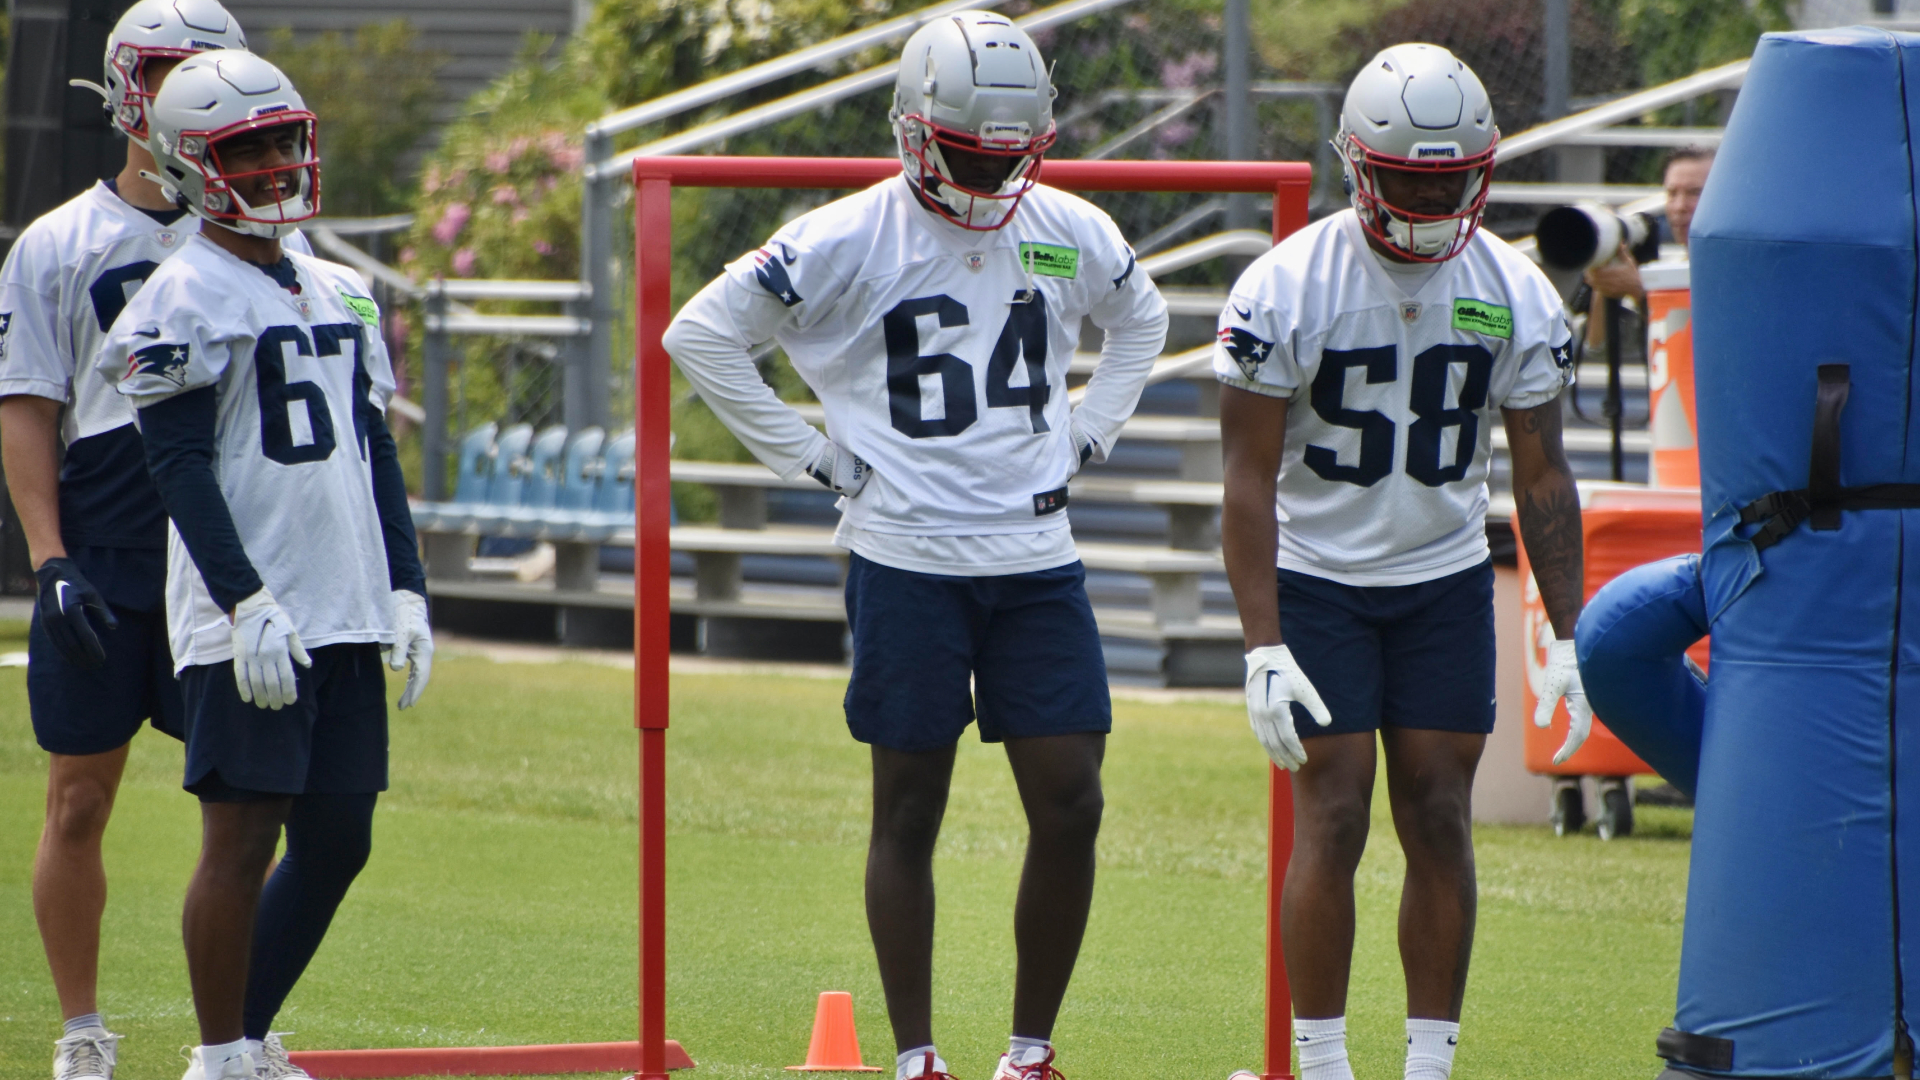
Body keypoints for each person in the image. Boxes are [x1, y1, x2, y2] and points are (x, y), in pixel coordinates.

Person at [662, 13, 1167, 1080]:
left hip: (1034, 555)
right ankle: (915, 1055)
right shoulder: (849, 236)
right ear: (914, 130)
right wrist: (812, 456)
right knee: (910, 805)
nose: (989, 180)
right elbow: (699, 332)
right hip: (907, 557)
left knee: (1073, 798)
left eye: (1007, 156)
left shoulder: (1065, 224)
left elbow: (1143, 315)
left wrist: (1091, 428)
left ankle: (1029, 1053)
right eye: (970, 154)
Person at [1214, 44, 1591, 1080]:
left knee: (1437, 811)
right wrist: (1262, 643)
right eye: (1410, 177)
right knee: (1331, 810)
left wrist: (1569, 627)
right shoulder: (1286, 284)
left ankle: (1429, 1069)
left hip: (1440, 578)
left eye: (1448, 178)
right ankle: (1324, 1065)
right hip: (1321, 576)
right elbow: (1246, 481)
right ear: (1357, 166)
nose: (1429, 199)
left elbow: (1543, 473)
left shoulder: (1515, 290)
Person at [94, 49, 432, 1080]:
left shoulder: (342, 287)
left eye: (286, 140)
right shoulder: (175, 296)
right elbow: (179, 465)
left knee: (339, 841)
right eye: (253, 148)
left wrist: (407, 589)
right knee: (240, 842)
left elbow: (374, 450)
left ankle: (245, 1036)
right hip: (252, 617)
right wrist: (244, 602)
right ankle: (221, 1054)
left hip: (341, 605)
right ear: (194, 164)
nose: (281, 164)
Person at [0, 5, 293, 1078]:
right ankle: (82, 1032)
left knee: (267, 800)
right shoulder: (60, 244)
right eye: (172, 70)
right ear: (128, 90)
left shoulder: (271, 234)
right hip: (116, 538)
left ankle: (241, 1027)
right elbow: (28, 401)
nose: (194, 90)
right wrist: (50, 556)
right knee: (79, 798)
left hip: (234, 540)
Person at [1582, 145, 1714, 349]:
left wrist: (1639, 291)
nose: (1680, 206)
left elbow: (1702, 344)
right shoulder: (1670, 271)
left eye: (1695, 193)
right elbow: (1595, 345)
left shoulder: (1735, 270)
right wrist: (1607, 258)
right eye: (1672, 194)